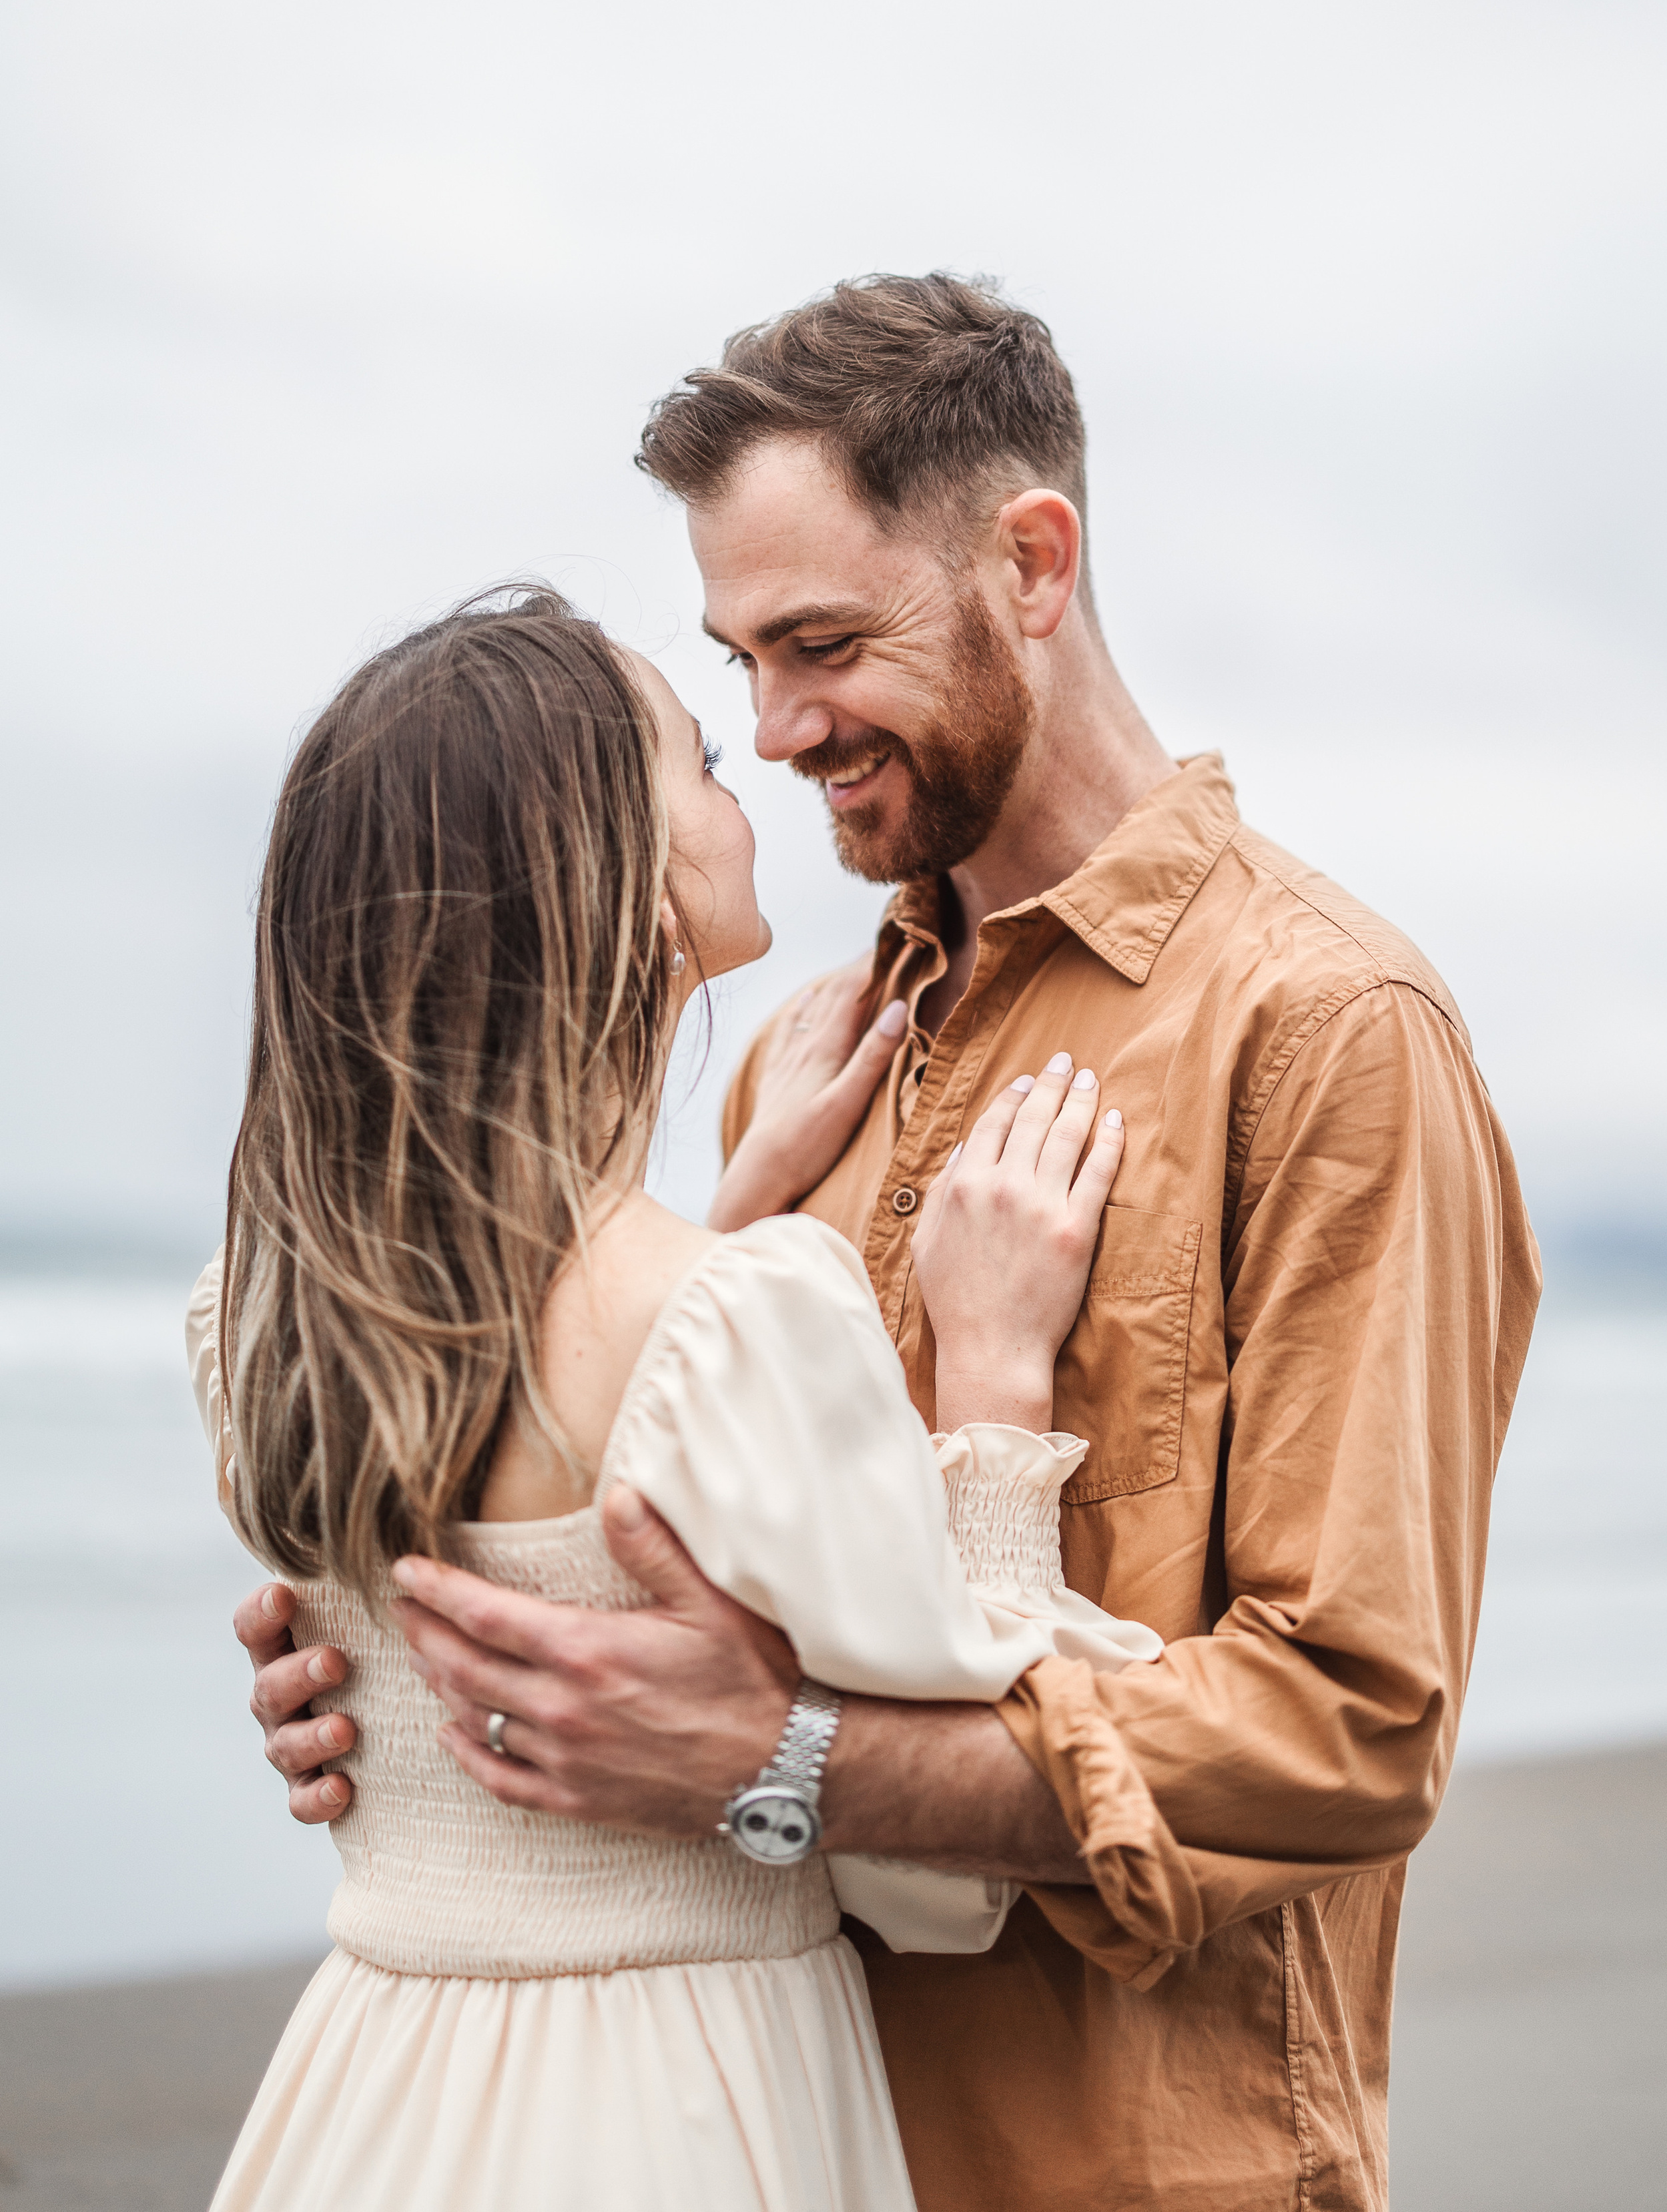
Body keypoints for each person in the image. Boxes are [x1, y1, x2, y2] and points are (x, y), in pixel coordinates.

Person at [236, 276, 1542, 2211]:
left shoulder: (1329, 1033)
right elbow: (647, 1475)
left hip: (1123, 2165)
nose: (772, 729)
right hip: (759, 2135)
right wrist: (408, 1640)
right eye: (739, 659)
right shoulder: (806, 1050)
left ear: (1031, 562)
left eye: (823, 642)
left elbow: (1348, 1728)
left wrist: (787, 1759)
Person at [188, 586, 1161, 2212]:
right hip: (677, 2097)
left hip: (369, 2079)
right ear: (627, 887)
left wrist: (728, 1200)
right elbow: (946, 1864)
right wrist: (991, 1372)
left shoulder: (257, 1311)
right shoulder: (736, 1309)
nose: (756, 771)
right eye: (700, 759)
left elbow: (537, 1389)